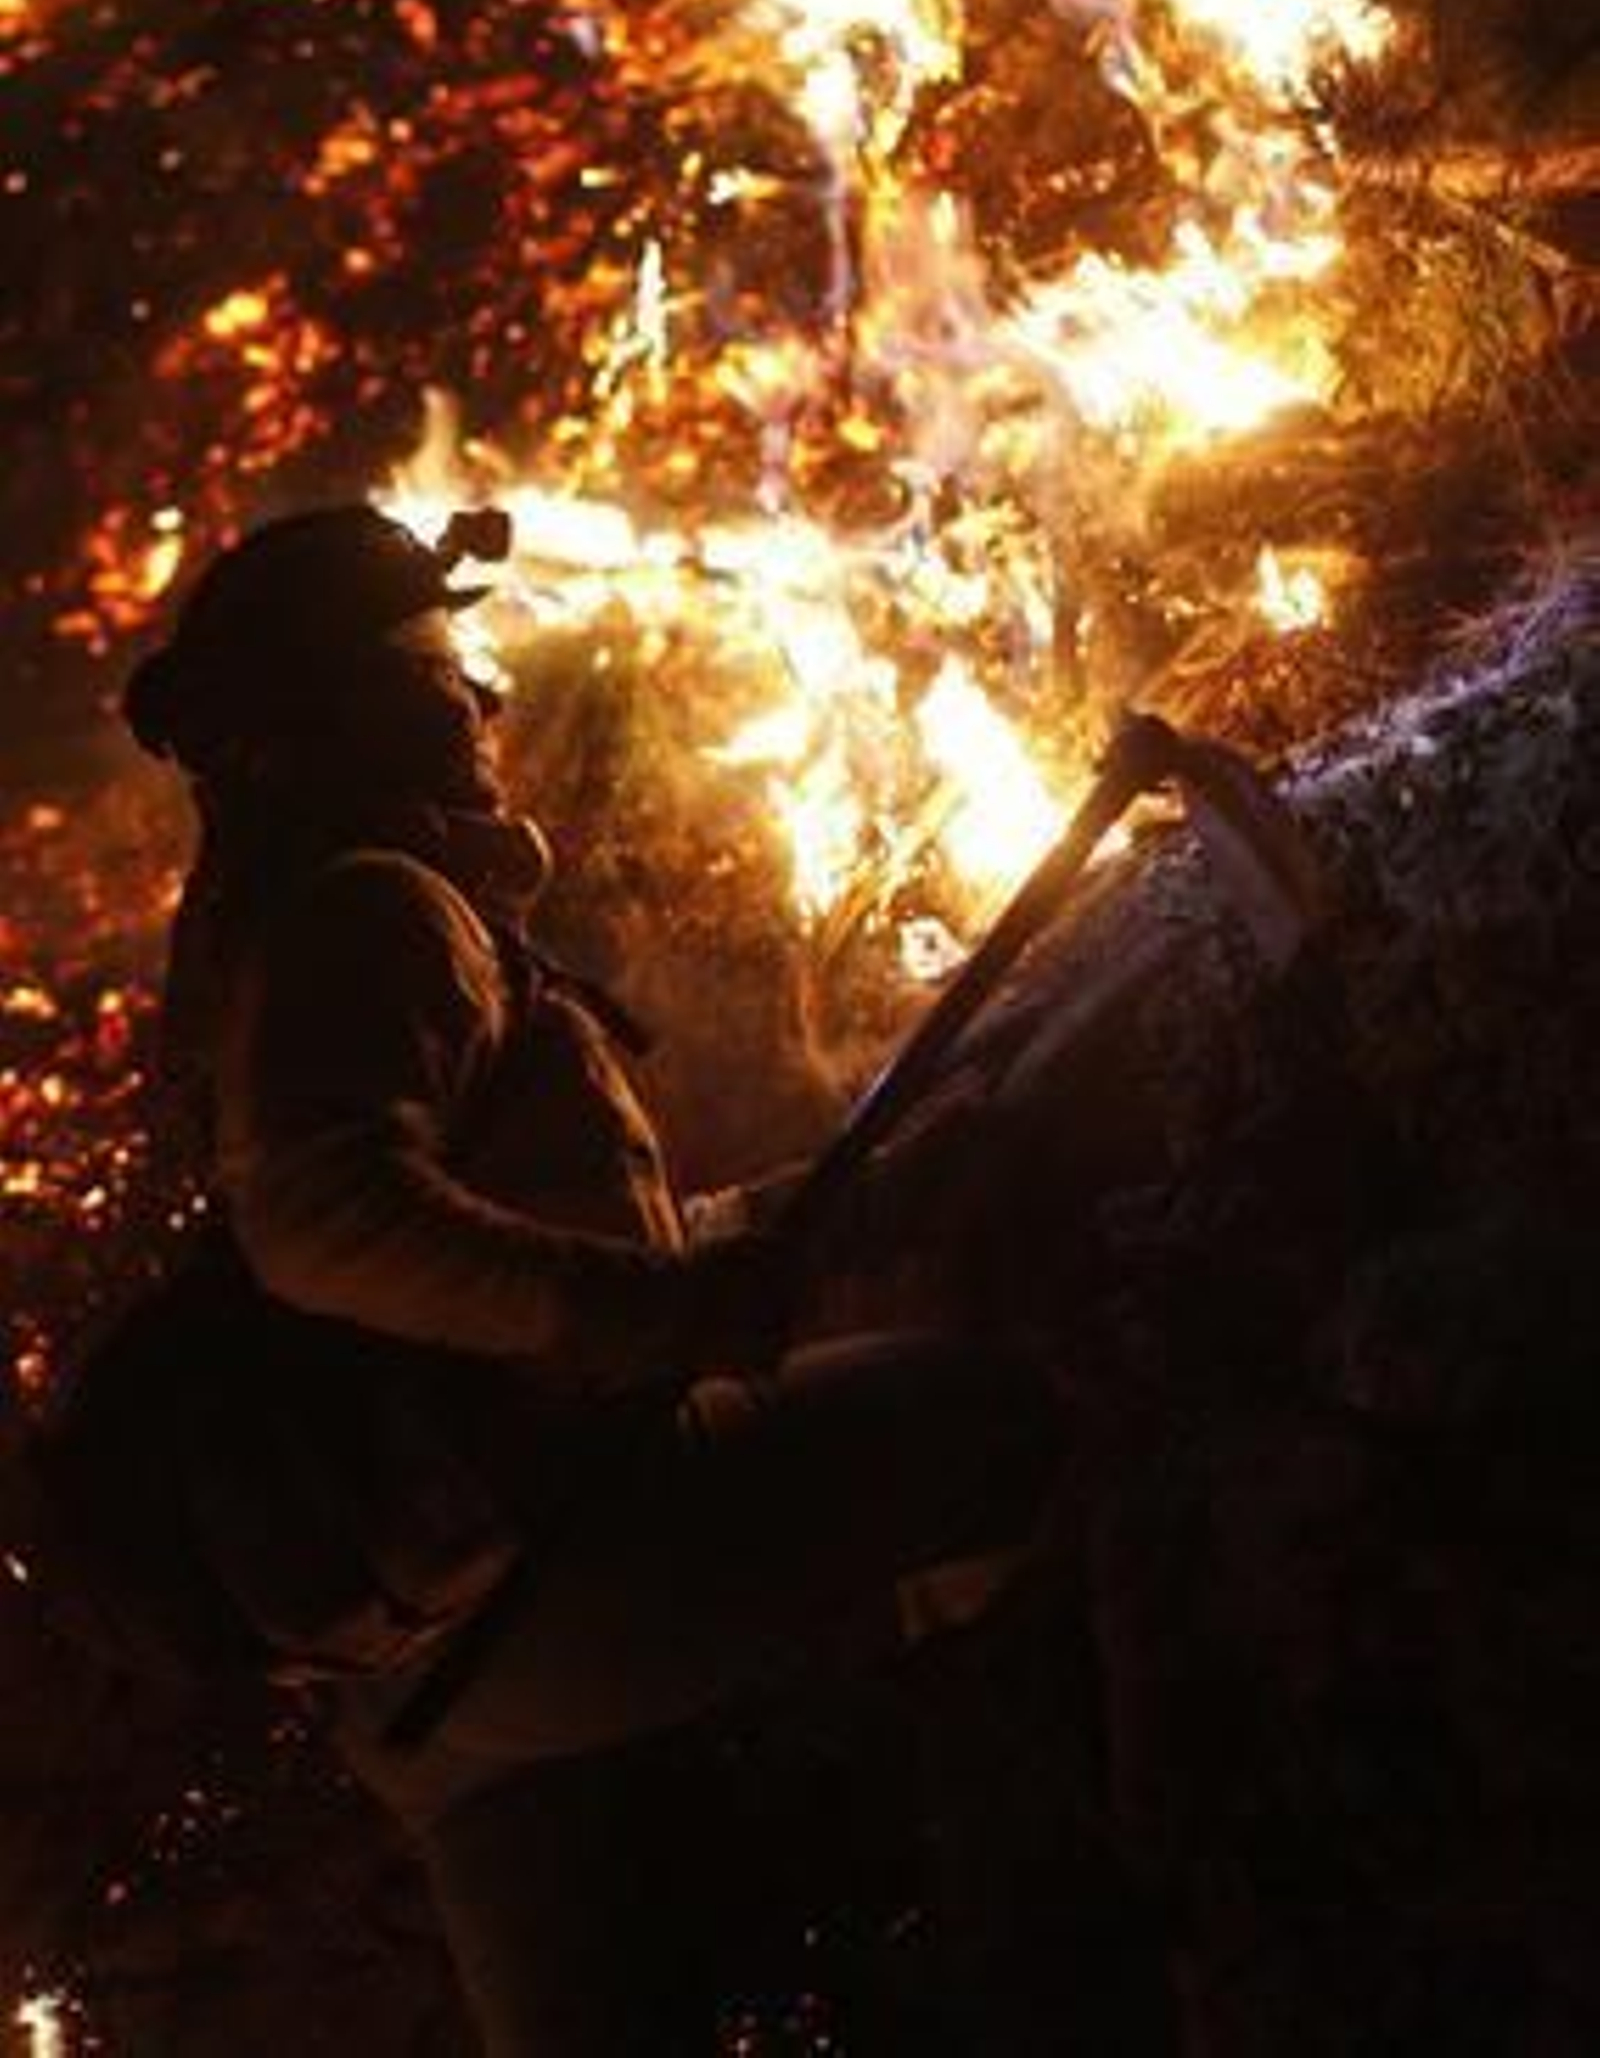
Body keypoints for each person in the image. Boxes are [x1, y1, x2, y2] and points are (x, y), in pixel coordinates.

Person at [121, 501, 1067, 2055]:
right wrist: (655, 1317)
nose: (483, 700)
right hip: (571, 1556)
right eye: (441, 665)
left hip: (426, 1667)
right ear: (350, 704)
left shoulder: (271, 937)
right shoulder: (378, 901)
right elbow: (329, 1219)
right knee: (997, 1424)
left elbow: (510, 1249)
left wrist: (785, 1223)